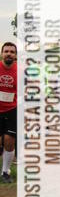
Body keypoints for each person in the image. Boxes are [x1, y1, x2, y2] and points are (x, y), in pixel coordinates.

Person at [0, 41, 18, 183]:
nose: (9, 54)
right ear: (2, 53)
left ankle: (5, 172)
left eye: (12, 52)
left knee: (9, 141)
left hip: (12, 110)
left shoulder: (20, 71)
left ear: (15, 55)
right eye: (6, 51)